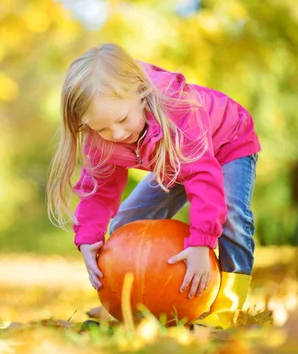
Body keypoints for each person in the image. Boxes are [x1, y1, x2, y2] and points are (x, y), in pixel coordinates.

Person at [46, 43, 261, 329]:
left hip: (227, 145)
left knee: (232, 215)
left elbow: (202, 177)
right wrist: (88, 238)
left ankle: (228, 304)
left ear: (140, 93)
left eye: (123, 119)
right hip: (171, 161)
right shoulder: (101, 139)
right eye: (101, 128)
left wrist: (201, 243)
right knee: (126, 222)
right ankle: (129, 300)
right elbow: (99, 191)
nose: (117, 134)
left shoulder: (178, 109)